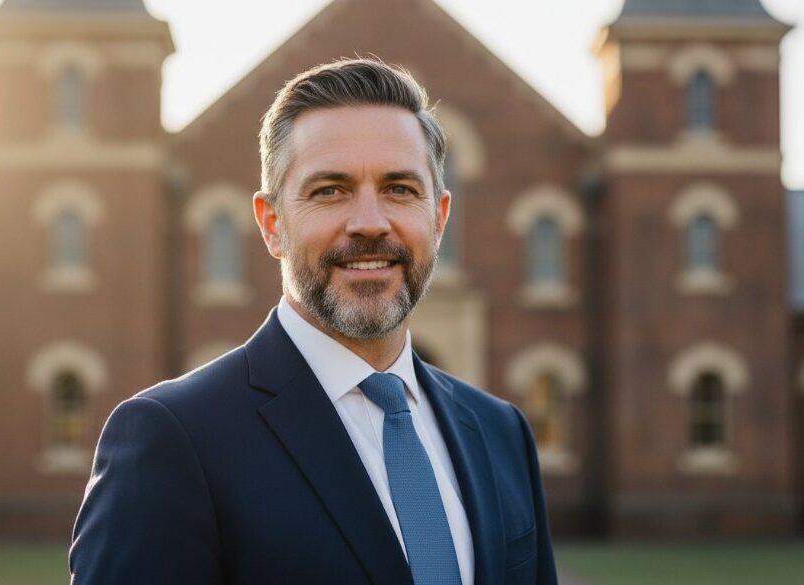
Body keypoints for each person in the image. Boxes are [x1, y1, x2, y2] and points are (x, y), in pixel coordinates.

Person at [69, 58, 557, 585]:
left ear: (438, 218)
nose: (370, 223)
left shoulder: (500, 432)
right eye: (331, 190)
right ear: (272, 224)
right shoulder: (172, 439)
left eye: (399, 189)